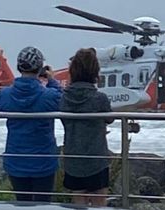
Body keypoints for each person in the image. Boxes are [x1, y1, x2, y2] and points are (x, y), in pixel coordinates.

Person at [0, 46, 62, 202]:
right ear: (39, 69)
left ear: (19, 67)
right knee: (43, 204)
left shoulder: (5, 95)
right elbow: (61, 98)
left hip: (16, 159)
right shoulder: (48, 96)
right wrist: (51, 79)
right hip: (43, 161)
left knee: (21, 201)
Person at [60, 48, 113, 207]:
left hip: (73, 158)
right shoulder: (100, 98)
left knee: (78, 201)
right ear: (95, 72)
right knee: (99, 202)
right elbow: (109, 118)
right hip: (96, 158)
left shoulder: (64, 97)